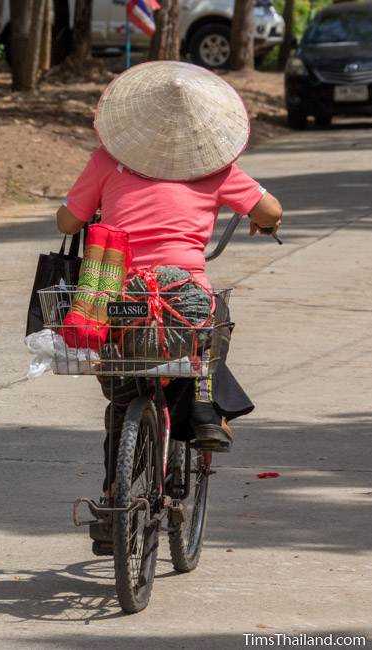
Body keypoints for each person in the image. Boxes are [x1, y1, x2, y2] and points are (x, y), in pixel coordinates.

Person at [56, 61, 282, 496]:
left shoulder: (108, 161)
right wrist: (264, 222)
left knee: (123, 396)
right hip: (184, 298)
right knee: (213, 323)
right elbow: (270, 210)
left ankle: (112, 497)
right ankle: (202, 406)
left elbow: (68, 223)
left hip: (116, 300)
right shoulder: (214, 168)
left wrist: (88, 207)